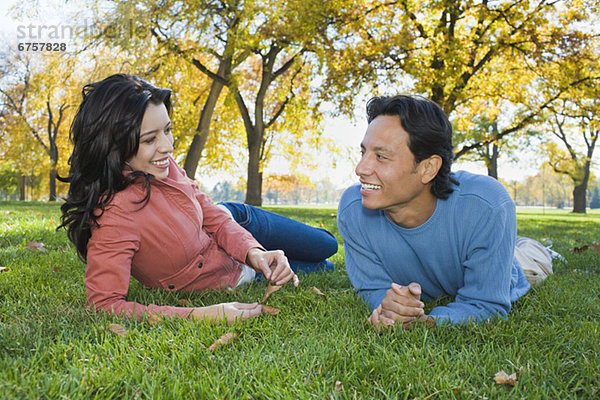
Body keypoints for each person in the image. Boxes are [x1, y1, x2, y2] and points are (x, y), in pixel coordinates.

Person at [58, 74, 337, 324]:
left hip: (238, 222)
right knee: (326, 268)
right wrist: (203, 313)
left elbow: (211, 214)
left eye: (167, 130)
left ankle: (276, 245)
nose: (168, 147)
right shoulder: (113, 217)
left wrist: (255, 252)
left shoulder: (163, 165)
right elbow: (104, 305)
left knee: (328, 244)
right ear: (112, 146)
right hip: (231, 274)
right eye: (149, 139)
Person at [337, 94, 552, 327]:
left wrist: (428, 322)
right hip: (467, 245)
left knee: (531, 255)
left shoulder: (487, 205)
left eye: (381, 156)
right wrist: (389, 309)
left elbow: (486, 304)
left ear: (428, 168)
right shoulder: (353, 208)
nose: (360, 168)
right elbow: (371, 288)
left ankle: (532, 246)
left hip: (520, 265)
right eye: (363, 153)